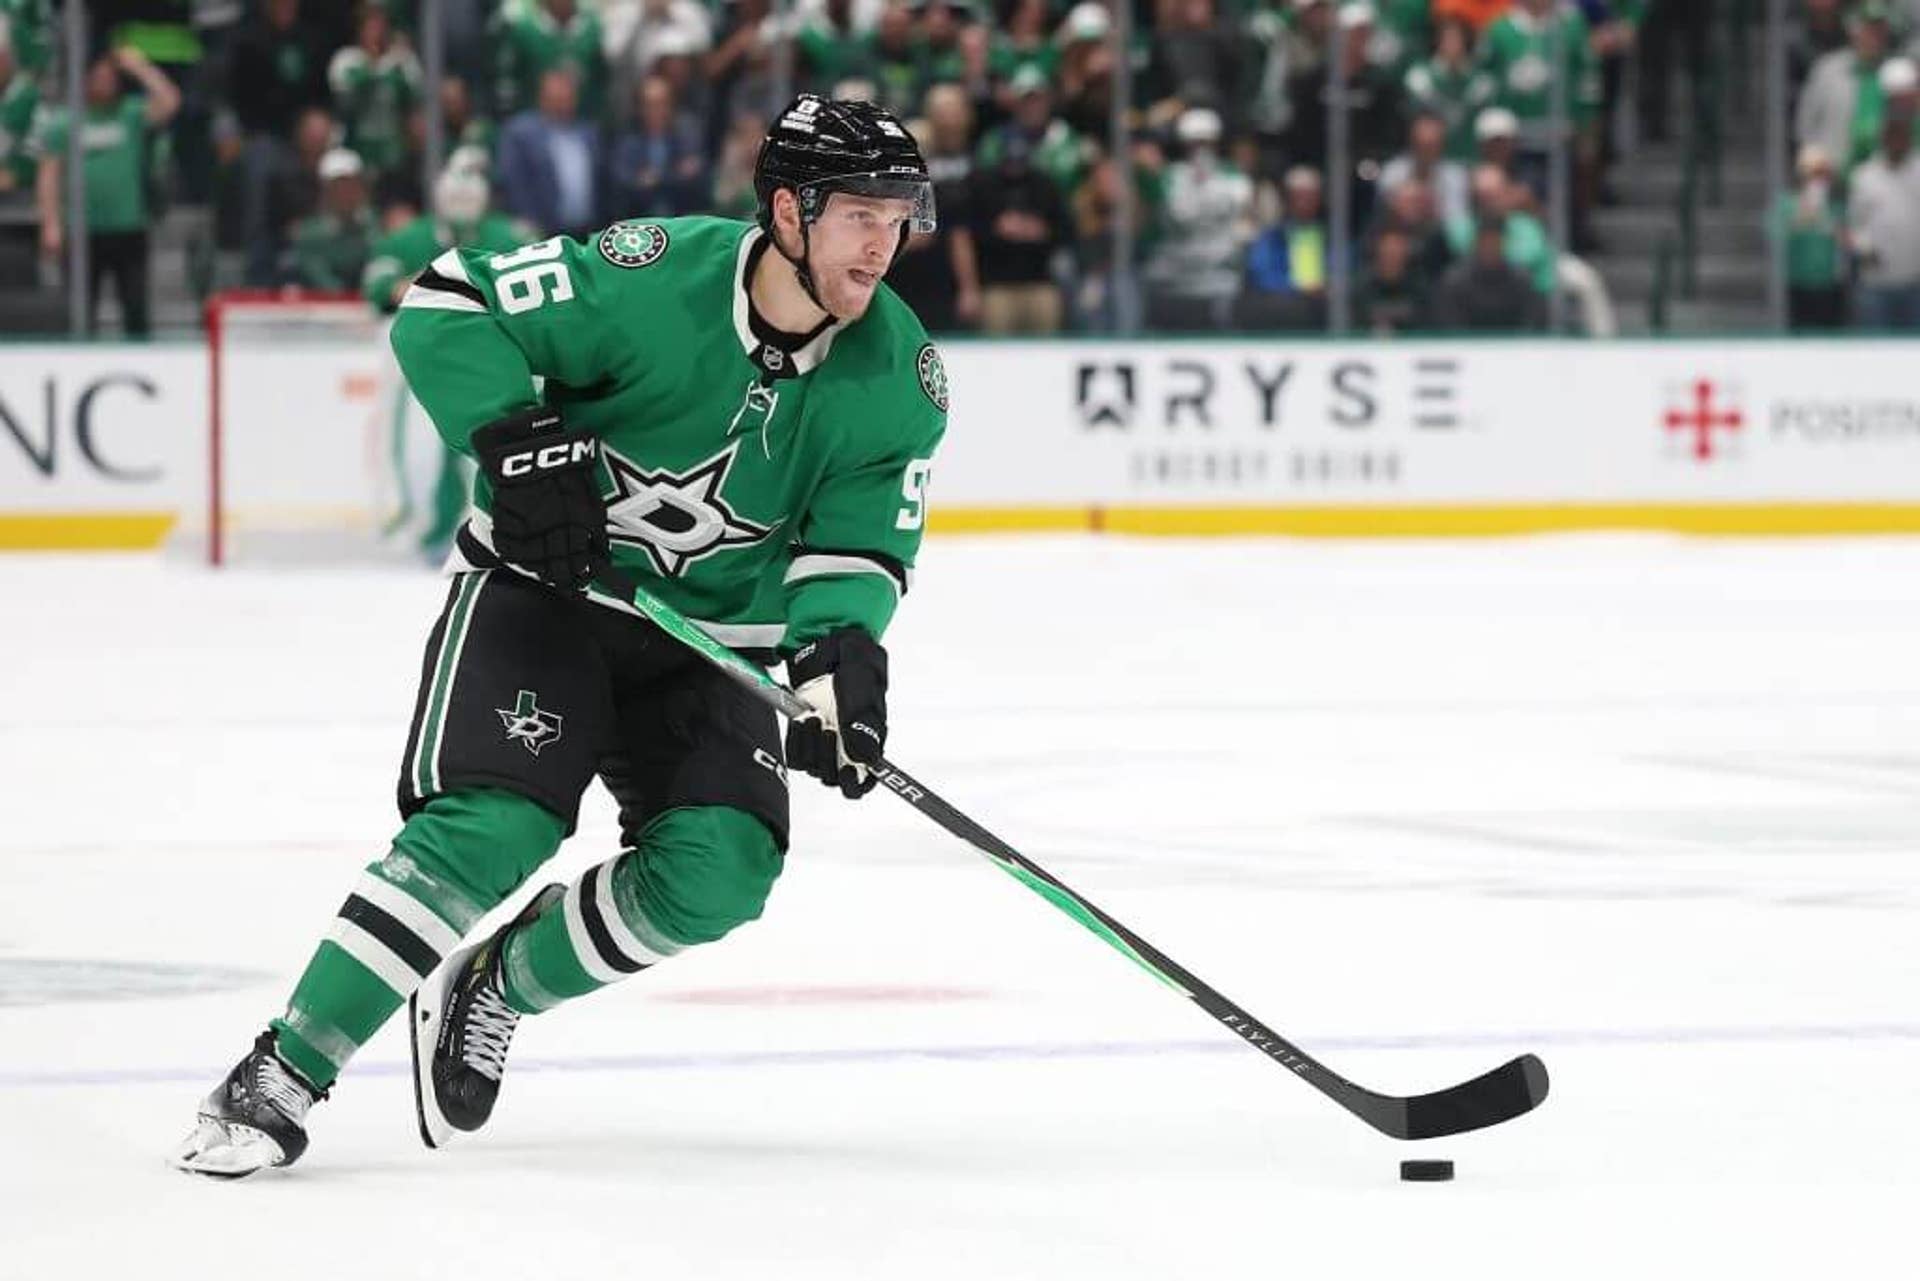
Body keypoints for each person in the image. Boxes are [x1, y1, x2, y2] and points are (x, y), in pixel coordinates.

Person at [171, 93, 948, 1179]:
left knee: (723, 872)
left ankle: (499, 984)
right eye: (862, 210)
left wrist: (840, 669)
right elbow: (446, 302)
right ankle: (282, 1070)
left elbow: (856, 552)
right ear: (787, 209)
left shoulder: (899, 377)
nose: (886, 240)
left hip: (710, 638)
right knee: (493, 829)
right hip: (545, 594)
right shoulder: (649, 274)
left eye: (900, 214)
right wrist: (517, 441)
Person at [362, 156, 538, 561]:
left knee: (487, 446)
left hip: (490, 357)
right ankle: (422, 525)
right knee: (416, 445)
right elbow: (377, 284)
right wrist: (409, 287)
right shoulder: (409, 238)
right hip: (421, 358)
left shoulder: (511, 235)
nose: (460, 203)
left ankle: (485, 528)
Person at [32, 46, 180, 337]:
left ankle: (142, 361)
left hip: (128, 226)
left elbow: (170, 101)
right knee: (80, 312)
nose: (104, 83)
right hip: (82, 229)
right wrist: (50, 222)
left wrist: (139, 67)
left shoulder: (131, 113)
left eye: (110, 78)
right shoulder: (65, 121)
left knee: (135, 308)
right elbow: (48, 173)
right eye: (97, 77)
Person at [496, 67, 607, 238]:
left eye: (566, 98)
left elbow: (600, 183)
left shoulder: (588, 133)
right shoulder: (521, 133)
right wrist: (532, 226)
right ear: (542, 99)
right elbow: (514, 184)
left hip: (586, 231)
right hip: (541, 233)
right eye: (555, 99)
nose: (561, 105)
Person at [287, 147, 379, 289]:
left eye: (350, 185)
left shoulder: (375, 227)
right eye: (337, 187)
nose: (345, 194)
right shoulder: (309, 235)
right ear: (326, 191)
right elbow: (324, 282)